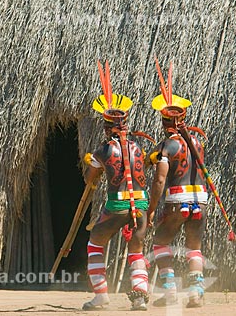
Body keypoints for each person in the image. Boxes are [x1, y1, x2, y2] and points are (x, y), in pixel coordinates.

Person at [82, 60, 154, 311]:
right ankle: (139, 298)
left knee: (94, 242)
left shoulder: (103, 149)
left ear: (106, 126)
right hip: (141, 203)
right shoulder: (138, 147)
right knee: (136, 249)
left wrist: (92, 164)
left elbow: (90, 178)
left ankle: (101, 296)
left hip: (117, 205)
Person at [146, 59, 208, 308]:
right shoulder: (198, 143)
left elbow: (160, 179)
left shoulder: (167, 146)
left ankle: (170, 290)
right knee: (194, 246)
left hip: (176, 199)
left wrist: (151, 209)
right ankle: (196, 292)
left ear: (165, 122)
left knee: (161, 241)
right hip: (200, 199)